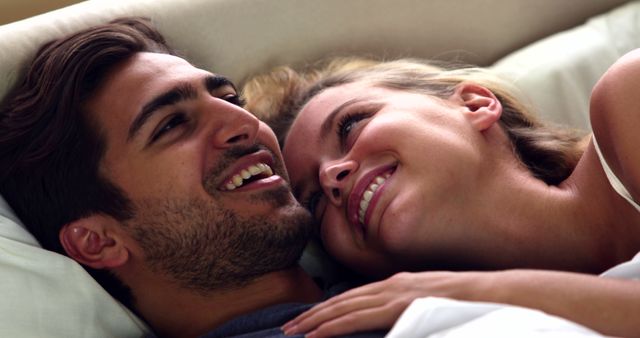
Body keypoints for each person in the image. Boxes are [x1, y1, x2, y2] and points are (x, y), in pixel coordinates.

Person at [0, 18, 387, 338]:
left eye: (231, 99)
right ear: (98, 241)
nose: (246, 123)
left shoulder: (410, 275)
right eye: (171, 125)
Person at [242, 57, 640, 337]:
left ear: (475, 104)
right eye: (314, 202)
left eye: (350, 126)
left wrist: (456, 292)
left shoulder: (627, 98)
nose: (331, 176)